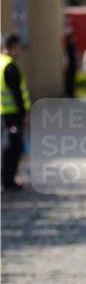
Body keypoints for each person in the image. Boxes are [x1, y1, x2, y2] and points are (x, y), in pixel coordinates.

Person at [1, 34, 30, 192]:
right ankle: (8, 179)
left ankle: (7, 177)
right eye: (18, 47)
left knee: (8, 146)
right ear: (12, 46)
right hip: (13, 113)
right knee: (14, 146)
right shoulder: (10, 66)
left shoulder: (1, 62)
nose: (20, 50)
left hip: (4, 112)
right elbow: (17, 93)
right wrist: (24, 113)